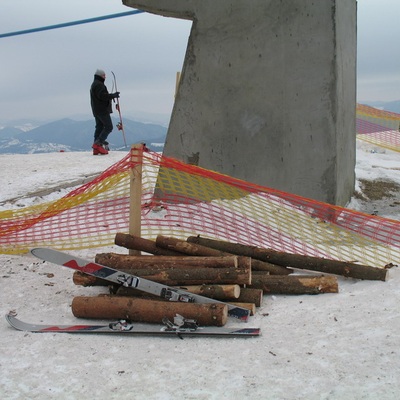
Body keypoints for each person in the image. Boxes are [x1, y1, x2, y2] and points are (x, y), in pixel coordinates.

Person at [90, 69, 120, 155]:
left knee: (99, 127)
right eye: (104, 75)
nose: (105, 77)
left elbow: (100, 96)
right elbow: (102, 96)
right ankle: (98, 144)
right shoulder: (99, 85)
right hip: (102, 110)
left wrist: (111, 96)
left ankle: (96, 148)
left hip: (96, 110)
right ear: (100, 76)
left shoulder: (94, 84)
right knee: (108, 127)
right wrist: (112, 95)